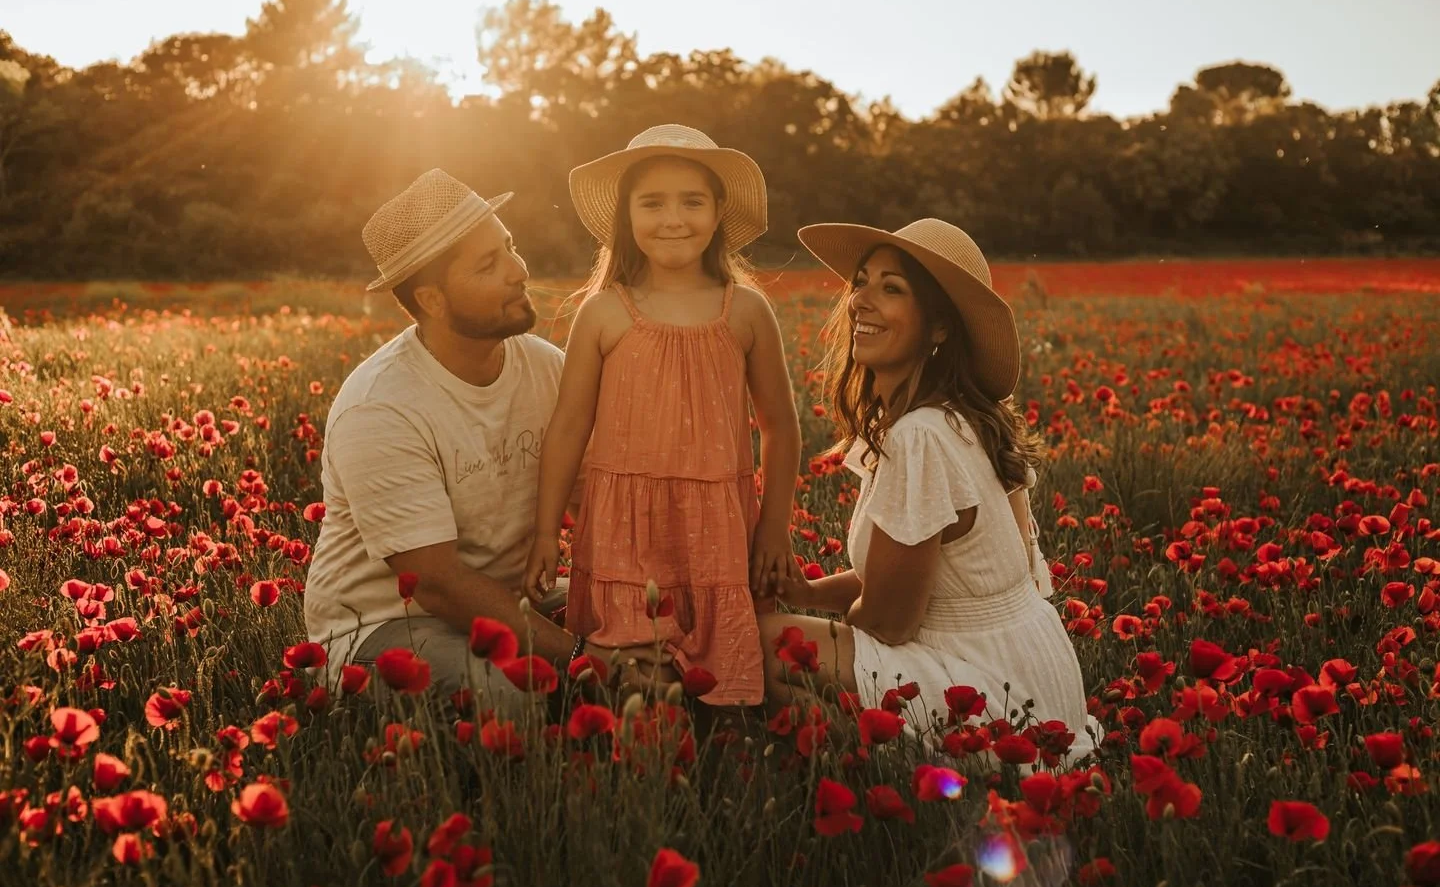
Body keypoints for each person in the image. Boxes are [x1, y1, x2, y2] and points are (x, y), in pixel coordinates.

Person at [304, 168, 666, 703]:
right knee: (507, 698)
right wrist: (579, 656)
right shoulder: (380, 407)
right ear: (432, 300)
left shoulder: (545, 369)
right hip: (385, 626)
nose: (519, 271)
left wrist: (680, 584)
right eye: (488, 265)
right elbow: (436, 583)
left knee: (664, 630)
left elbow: (600, 496)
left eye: (510, 246)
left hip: (509, 600)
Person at [762, 217, 1097, 761]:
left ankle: (894, 775)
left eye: (891, 289)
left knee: (756, 645)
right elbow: (925, 577)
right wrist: (808, 597)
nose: (859, 300)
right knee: (784, 640)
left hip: (989, 691)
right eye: (862, 281)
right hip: (1036, 673)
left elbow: (890, 623)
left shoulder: (920, 438)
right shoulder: (967, 419)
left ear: (940, 329)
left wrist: (818, 631)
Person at [524, 124, 802, 707]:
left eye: (692, 201)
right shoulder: (604, 312)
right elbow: (569, 428)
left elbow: (780, 425)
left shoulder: (746, 309)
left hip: (717, 527)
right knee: (630, 680)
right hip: (626, 523)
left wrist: (773, 527)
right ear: (626, 216)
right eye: (652, 203)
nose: (673, 218)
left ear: (718, 211)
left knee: (726, 688)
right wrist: (548, 530)